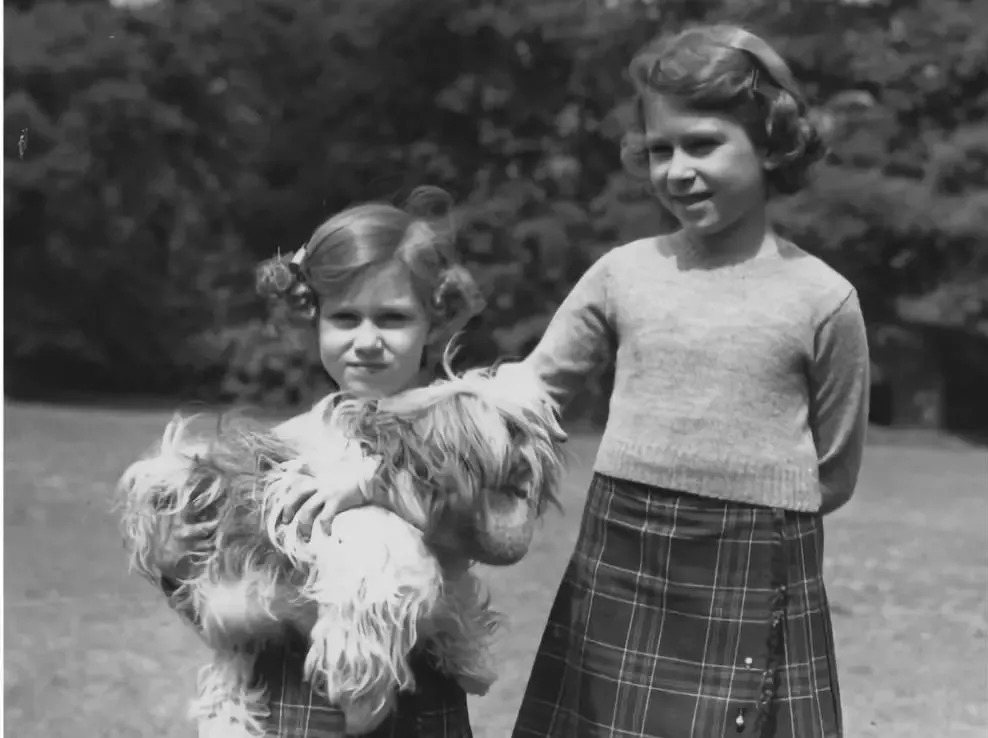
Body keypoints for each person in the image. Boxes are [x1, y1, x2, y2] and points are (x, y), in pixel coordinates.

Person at [503, 23, 870, 738]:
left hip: (755, 560)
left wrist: (748, 505)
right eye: (659, 150)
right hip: (622, 550)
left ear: (772, 144)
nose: (676, 170)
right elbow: (527, 394)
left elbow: (835, 467)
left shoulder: (824, 298)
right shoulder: (622, 274)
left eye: (702, 144)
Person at [152, 186, 487, 737]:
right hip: (294, 711)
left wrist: (380, 488)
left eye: (393, 318)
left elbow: (494, 534)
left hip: (421, 713)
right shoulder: (284, 448)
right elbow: (218, 610)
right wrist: (177, 566)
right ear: (314, 321)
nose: (367, 340)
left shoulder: (453, 436)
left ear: (434, 320)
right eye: (346, 317)